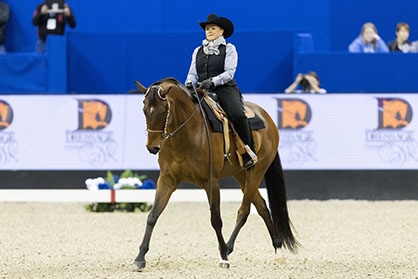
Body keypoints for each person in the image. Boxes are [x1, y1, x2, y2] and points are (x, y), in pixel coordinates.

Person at [185, 14, 257, 169]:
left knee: (237, 114)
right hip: (202, 89)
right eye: (207, 29)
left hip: (224, 88)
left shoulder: (229, 49)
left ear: (221, 31)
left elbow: (229, 73)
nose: (209, 31)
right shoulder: (198, 50)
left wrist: (212, 81)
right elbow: (192, 72)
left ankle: (247, 151)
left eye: (213, 28)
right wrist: (189, 83)